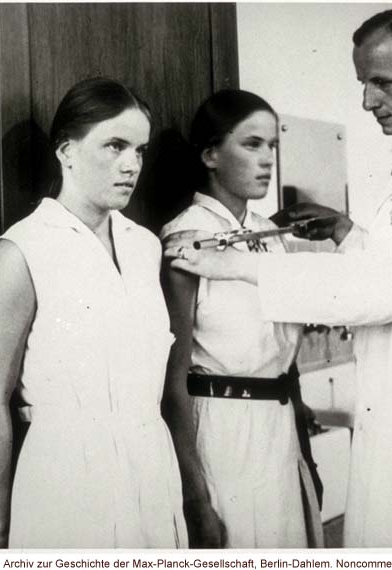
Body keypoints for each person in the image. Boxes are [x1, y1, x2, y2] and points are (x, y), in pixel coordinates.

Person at [165, 7, 392, 548]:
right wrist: (349, 233)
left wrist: (237, 264)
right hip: (381, 415)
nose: (366, 102)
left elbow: (388, 286)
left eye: (381, 83)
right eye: (363, 84)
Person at [0, 77, 188, 548]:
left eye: (140, 150)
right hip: (65, 479)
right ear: (66, 151)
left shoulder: (144, 246)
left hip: (150, 467)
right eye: (115, 145)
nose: (132, 165)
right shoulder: (22, 249)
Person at [159, 89, 323, 548]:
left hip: (280, 429)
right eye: (252, 144)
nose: (267, 159)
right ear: (211, 154)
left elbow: (283, 357)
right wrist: (195, 498)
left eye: (272, 145)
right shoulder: (186, 238)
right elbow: (171, 382)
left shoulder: (272, 236)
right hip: (222, 433)